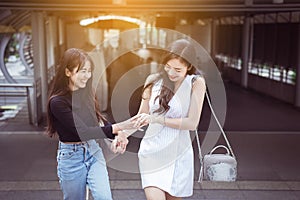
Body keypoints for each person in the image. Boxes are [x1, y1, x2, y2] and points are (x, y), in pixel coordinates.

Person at [46, 48, 134, 200]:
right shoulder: (57, 102)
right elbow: (84, 131)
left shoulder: (86, 93)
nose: (87, 76)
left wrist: (118, 135)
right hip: (71, 157)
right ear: (68, 72)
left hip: (93, 151)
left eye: (89, 71)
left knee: (104, 197)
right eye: (82, 71)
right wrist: (122, 126)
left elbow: (98, 120)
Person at [132, 39, 206, 200]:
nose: (171, 73)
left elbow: (192, 123)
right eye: (168, 67)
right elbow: (142, 115)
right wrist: (122, 134)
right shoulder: (153, 80)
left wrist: (157, 119)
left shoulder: (196, 83)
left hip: (179, 155)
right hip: (152, 152)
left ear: (189, 67)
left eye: (177, 69)